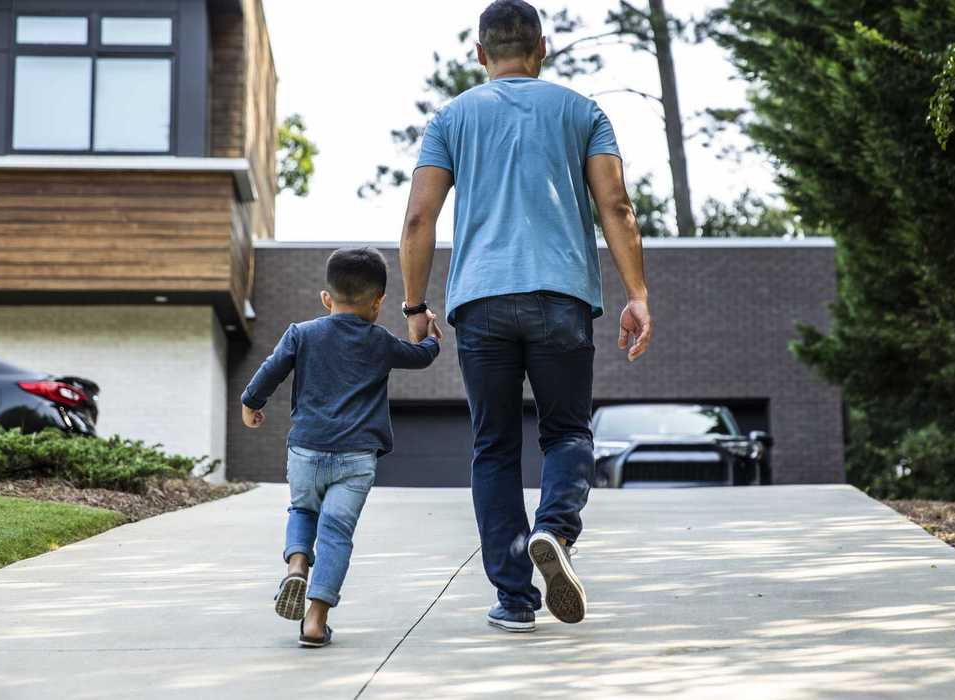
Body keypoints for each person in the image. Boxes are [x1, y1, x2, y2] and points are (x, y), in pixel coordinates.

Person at [397, 0, 652, 632]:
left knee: (494, 449)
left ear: (480, 54)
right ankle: (556, 532)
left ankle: (514, 601)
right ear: (542, 47)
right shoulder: (582, 111)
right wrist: (637, 294)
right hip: (561, 298)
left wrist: (413, 306)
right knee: (567, 433)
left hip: (480, 304)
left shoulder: (450, 119)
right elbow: (616, 206)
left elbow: (418, 219)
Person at [240, 247, 441, 648]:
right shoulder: (380, 341)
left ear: (326, 298)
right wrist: (430, 337)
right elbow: (420, 357)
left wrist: (251, 403)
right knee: (336, 533)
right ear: (379, 302)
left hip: (307, 450)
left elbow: (270, 370)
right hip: (356, 458)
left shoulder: (302, 333)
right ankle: (315, 621)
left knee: (302, 509)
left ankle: (297, 563)